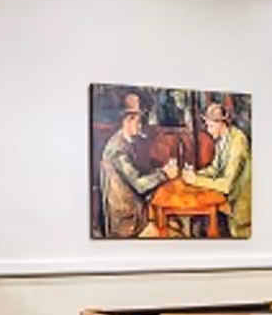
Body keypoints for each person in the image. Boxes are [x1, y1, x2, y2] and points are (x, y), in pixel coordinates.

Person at [180, 100, 251, 237]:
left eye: (210, 126)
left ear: (221, 123)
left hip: (241, 209)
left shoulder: (238, 141)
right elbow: (214, 169)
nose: (208, 130)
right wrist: (195, 174)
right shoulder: (222, 140)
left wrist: (195, 180)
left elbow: (226, 185)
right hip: (228, 203)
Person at [98, 104, 165, 237]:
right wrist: (164, 174)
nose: (141, 127)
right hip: (126, 222)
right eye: (138, 123)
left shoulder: (125, 141)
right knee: (164, 231)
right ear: (128, 121)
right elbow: (139, 185)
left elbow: (136, 175)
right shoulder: (117, 150)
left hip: (133, 211)